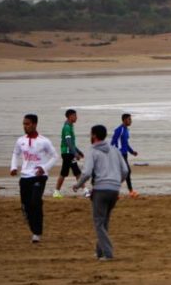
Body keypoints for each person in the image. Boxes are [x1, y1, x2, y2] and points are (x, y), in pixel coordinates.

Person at [73, 124, 128, 261]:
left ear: (94, 135)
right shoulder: (115, 150)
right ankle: (100, 251)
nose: (90, 136)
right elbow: (125, 170)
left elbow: (86, 172)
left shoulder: (92, 150)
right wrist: (117, 182)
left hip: (101, 190)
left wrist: (78, 185)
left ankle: (108, 253)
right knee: (104, 221)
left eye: (90, 134)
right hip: (114, 190)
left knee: (98, 222)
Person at [10, 113, 60, 243]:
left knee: (35, 202)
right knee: (26, 206)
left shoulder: (44, 141)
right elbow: (15, 154)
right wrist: (13, 167)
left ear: (34, 124)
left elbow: (55, 156)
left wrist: (44, 168)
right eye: (24, 124)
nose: (25, 126)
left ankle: (37, 233)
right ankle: (33, 227)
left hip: (39, 176)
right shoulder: (20, 141)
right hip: (25, 176)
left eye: (27, 124)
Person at [54, 109, 85, 198]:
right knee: (70, 172)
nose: (76, 117)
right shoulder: (67, 127)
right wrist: (75, 153)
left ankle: (85, 191)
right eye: (75, 115)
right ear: (70, 116)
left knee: (74, 172)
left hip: (69, 152)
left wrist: (78, 151)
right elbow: (68, 142)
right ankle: (56, 192)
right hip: (67, 153)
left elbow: (71, 143)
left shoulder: (70, 126)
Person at [110, 113, 139, 198]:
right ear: (124, 120)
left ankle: (115, 191)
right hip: (119, 154)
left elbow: (126, 143)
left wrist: (132, 152)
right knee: (127, 171)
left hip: (124, 154)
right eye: (129, 119)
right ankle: (130, 191)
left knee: (123, 173)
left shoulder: (126, 130)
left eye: (131, 119)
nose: (131, 121)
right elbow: (112, 142)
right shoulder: (119, 130)